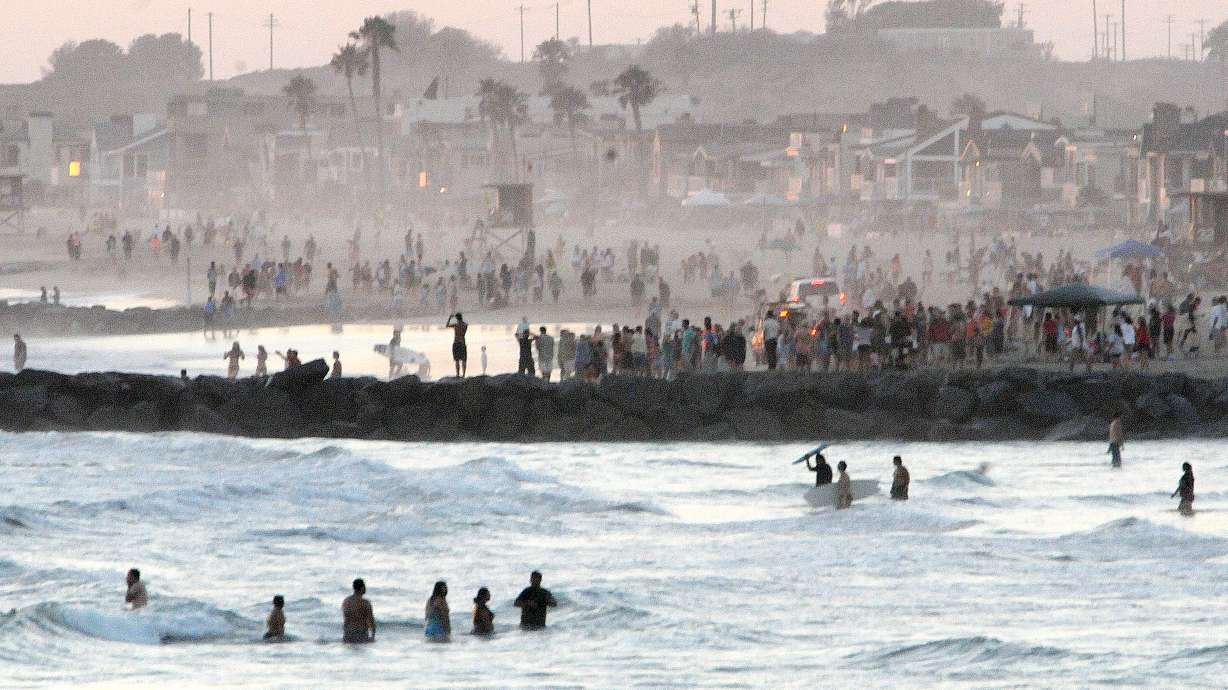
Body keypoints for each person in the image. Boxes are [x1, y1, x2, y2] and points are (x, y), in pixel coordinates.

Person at [342, 578, 376, 643]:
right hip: (361, 635)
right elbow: (371, 621)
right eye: (364, 586)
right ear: (362, 588)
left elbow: (346, 619)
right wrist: (373, 637)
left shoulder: (346, 601)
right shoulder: (365, 603)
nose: (365, 588)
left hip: (348, 635)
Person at [446, 313, 469, 377]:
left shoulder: (456, 325)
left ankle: (458, 374)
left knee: (457, 360)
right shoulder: (465, 325)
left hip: (456, 343)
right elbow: (466, 324)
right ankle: (464, 374)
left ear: (456, 319)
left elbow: (447, 325)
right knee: (464, 360)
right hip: (462, 343)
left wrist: (450, 318)